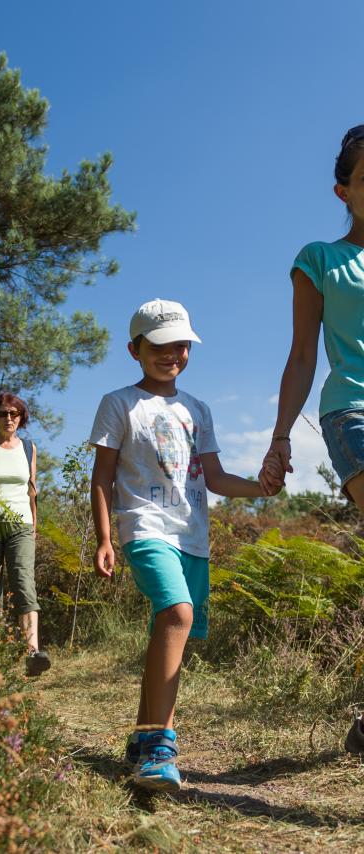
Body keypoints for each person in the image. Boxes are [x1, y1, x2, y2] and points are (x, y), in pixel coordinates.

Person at [90, 299, 282, 792]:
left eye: (180, 344)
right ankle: (160, 746)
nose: (171, 353)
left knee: (168, 628)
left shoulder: (198, 409)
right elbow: (102, 476)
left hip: (192, 536)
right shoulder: (119, 403)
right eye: (158, 345)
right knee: (177, 613)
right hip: (144, 527)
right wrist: (105, 538)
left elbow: (214, 478)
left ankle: (139, 735)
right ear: (135, 349)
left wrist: (259, 487)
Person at [259, 125, 364, 755]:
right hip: (352, 410)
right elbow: (301, 356)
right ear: (343, 190)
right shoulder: (321, 259)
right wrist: (279, 439)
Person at [0, 392, 51, 677]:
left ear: (21, 418)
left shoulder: (29, 448)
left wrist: (34, 523)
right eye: (3, 413)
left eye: (14, 414)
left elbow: (31, 489)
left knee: (24, 583)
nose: (9, 418)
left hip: (22, 526)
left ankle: (32, 653)